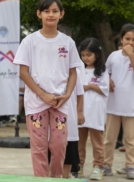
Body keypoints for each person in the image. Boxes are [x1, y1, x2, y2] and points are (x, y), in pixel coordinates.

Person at [14, 0, 80, 178]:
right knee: (39, 147)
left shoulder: (68, 43)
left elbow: (73, 72)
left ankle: (56, 178)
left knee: (59, 145)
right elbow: (23, 72)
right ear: (39, 14)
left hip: (60, 102)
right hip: (36, 102)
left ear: (61, 14)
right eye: (46, 11)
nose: (50, 15)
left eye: (54, 11)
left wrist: (66, 96)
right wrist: (42, 95)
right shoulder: (30, 41)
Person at [103, 24, 134, 179]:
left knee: (131, 140)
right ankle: (106, 165)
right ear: (121, 39)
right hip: (113, 105)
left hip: (131, 106)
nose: (131, 41)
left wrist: (131, 55)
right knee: (109, 139)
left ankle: (130, 166)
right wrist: (108, 80)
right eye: (127, 38)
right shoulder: (113, 56)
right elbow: (104, 72)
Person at [77, 38, 109, 181]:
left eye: (88, 55)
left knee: (97, 142)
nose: (86, 58)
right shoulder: (78, 70)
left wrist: (90, 86)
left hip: (95, 110)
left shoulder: (102, 71)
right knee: (79, 142)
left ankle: (98, 166)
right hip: (81, 110)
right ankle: (78, 166)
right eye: (83, 55)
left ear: (97, 54)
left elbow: (105, 90)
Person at [56, 24, 85, 179]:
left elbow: (80, 92)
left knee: (68, 151)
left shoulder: (76, 70)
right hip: (51, 116)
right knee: (51, 151)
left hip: (69, 117)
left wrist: (80, 111)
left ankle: (66, 177)